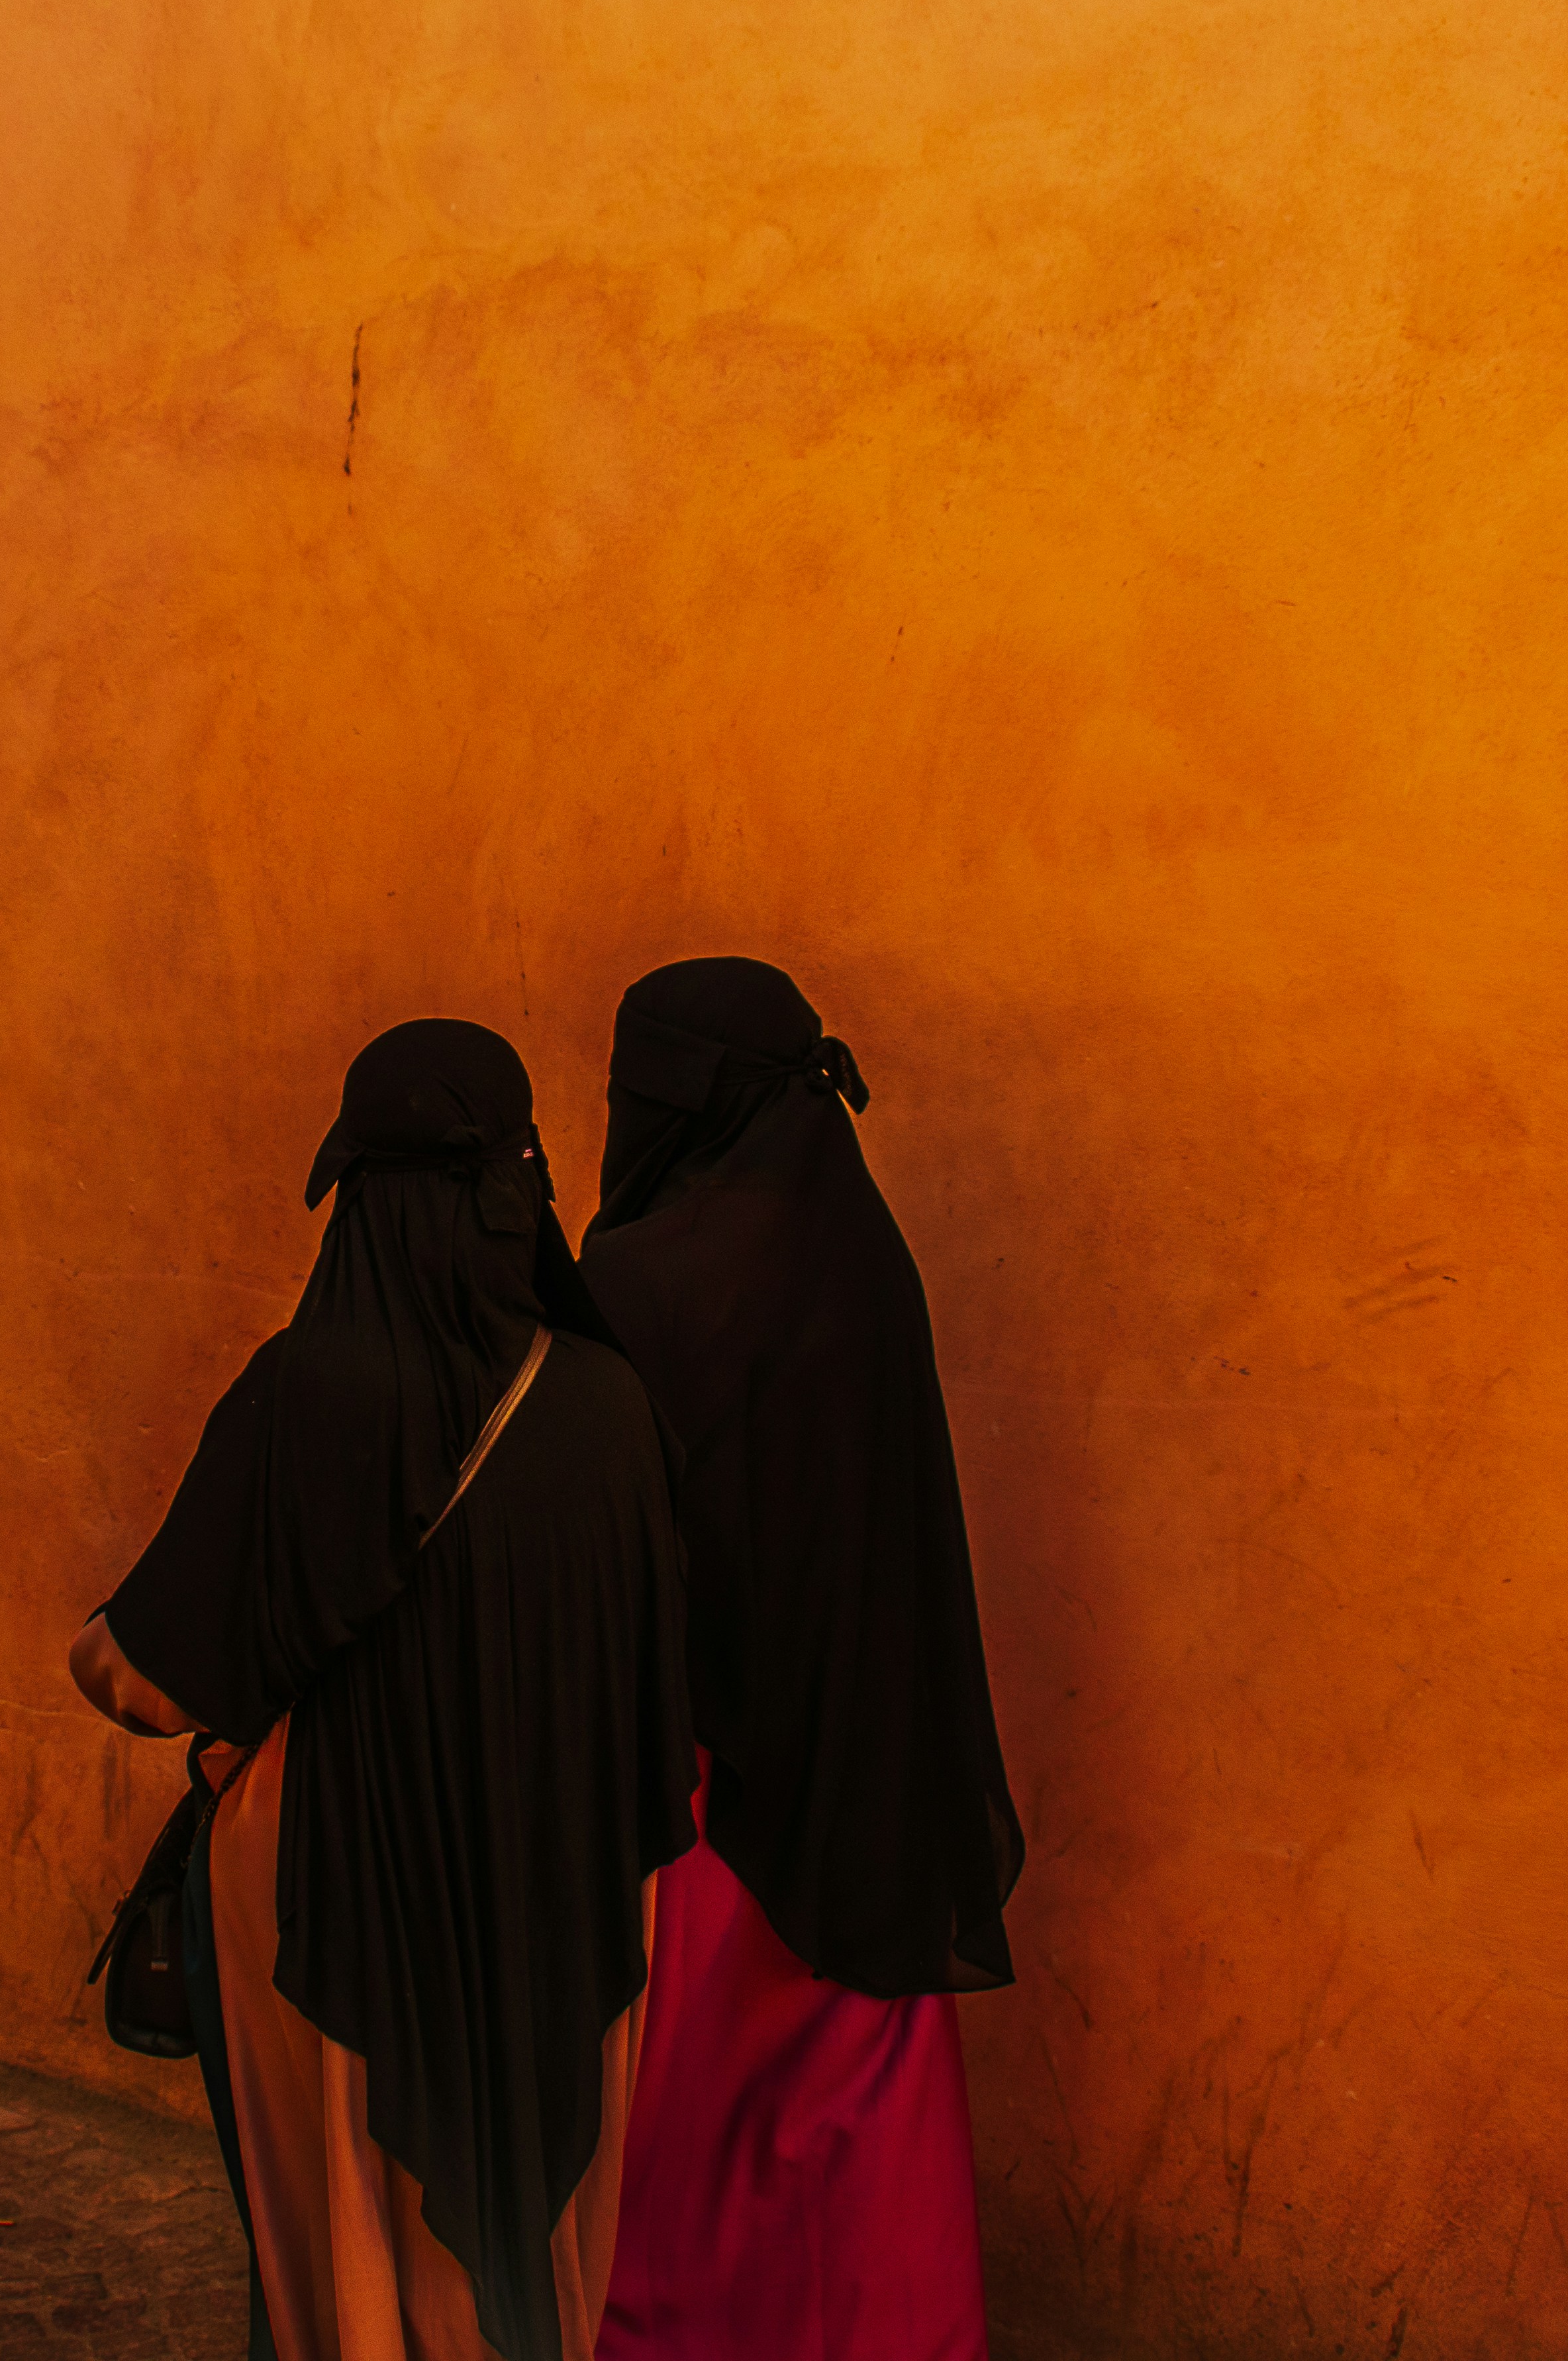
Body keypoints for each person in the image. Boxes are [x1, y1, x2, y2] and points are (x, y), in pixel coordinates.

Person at [72, 1019, 697, 2361]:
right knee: (534, 2225)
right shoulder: (608, 1402)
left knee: (352, 2226)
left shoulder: (306, 1391)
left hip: (344, 1891)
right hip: (571, 1893)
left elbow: (143, 1679)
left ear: (358, 1196)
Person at [576, 958, 1024, 2361]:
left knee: (698, 2122)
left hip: (705, 1795)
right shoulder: (857, 1246)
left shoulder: (642, 1280)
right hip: (874, 1766)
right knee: (857, 2091)